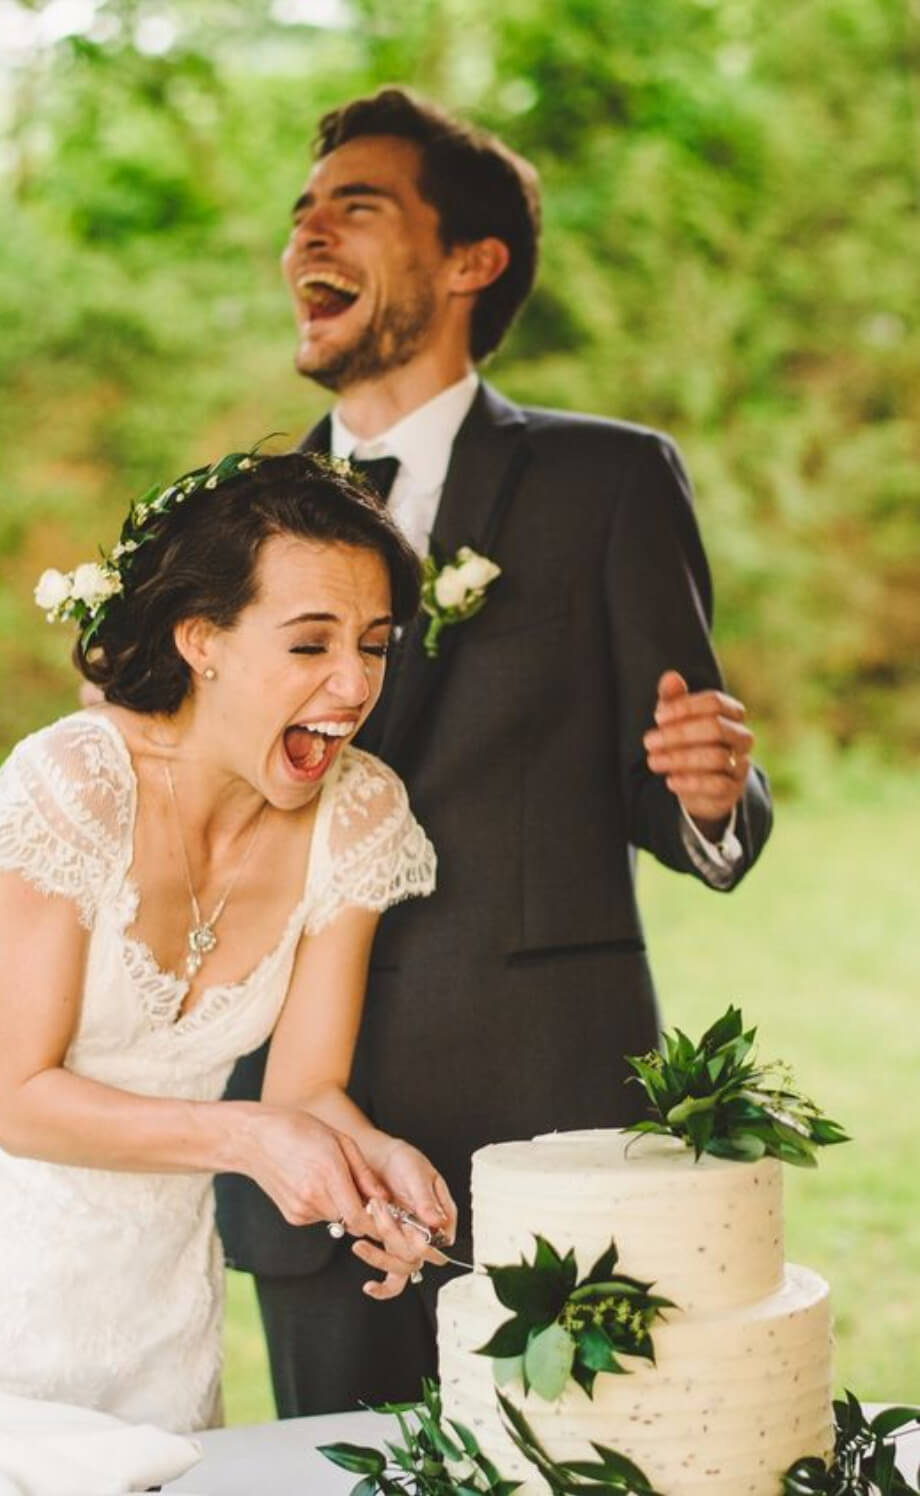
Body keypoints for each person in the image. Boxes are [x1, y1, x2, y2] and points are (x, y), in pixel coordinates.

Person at [215, 89, 775, 1418]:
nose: (308, 232)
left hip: (550, 1101)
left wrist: (711, 793)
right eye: (302, 210)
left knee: (574, 1460)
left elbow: (684, 777)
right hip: (310, 1118)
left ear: (473, 262)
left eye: (356, 206)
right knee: (342, 1459)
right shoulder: (234, 518)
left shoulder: (612, 480)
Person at [0, 449, 456, 1432]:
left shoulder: (360, 812)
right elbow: (18, 1099)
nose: (353, 682)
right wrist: (252, 1137)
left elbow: (303, 1090)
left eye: (375, 644)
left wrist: (377, 1164)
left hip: (154, 1297)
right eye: (310, 645)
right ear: (202, 639)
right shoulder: (72, 787)